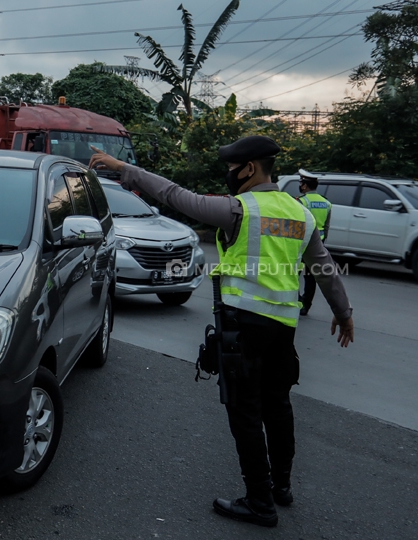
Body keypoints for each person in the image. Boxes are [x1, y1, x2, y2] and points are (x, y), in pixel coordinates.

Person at [89, 136, 354, 528]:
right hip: (283, 329)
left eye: (232, 169)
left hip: (244, 326)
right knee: (278, 407)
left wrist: (122, 168)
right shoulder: (300, 214)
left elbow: (175, 195)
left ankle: (259, 502)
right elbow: (325, 267)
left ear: (248, 169)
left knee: (245, 412)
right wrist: (344, 313)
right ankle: (281, 486)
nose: (229, 176)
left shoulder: (238, 210)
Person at [296, 170, 332, 316]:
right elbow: (327, 227)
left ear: (305, 186)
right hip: (317, 245)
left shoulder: (301, 201)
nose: (300, 186)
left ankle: (297, 301)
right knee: (311, 278)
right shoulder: (327, 203)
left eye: (301, 183)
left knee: (293, 274)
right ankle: (306, 305)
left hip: (301, 245)